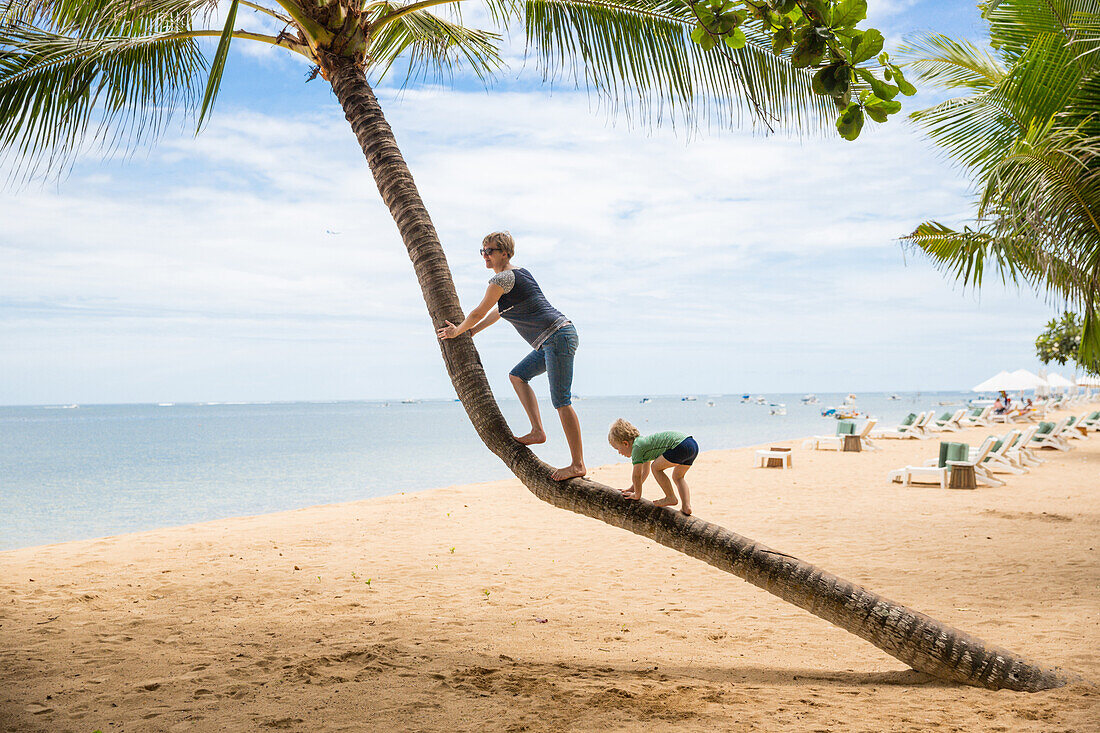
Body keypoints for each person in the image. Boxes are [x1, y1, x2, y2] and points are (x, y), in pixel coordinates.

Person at [437, 232, 585, 481]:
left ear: (504, 252)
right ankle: (537, 431)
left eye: (490, 250)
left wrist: (457, 331)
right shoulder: (517, 275)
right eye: (482, 251)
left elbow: (477, 312)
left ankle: (577, 465)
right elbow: (499, 312)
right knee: (518, 376)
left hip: (557, 336)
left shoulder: (502, 278)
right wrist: (472, 332)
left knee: (562, 400)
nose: (485, 255)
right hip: (553, 338)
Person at [608, 418, 696, 515]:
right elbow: (644, 473)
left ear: (625, 444)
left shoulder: (637, 448)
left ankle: (670, 497)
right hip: (692, 444)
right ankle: (686, 507)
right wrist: (632, 488)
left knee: (655, 468)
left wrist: (637, 494)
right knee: (678, 477)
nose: (619, 453)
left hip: (680, 445)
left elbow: (636, 475)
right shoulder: (643, 445)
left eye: (618, 449)